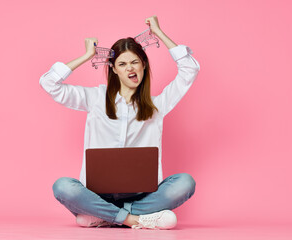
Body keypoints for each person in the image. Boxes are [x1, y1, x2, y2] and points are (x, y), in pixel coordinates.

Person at [39, 16, 200, 230]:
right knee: (63, 187)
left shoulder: (157, 106)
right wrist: (87, 55)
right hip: (97, 194)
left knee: (185, 182)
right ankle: (136, 219)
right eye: (122, 64)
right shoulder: (95, 99)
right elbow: (49, 83)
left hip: (140, 195)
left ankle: (106, 216)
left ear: (143, 64)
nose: (129, 69)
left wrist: (159, 33)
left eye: (134, 62)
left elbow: (190, 69)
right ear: (114, 69)